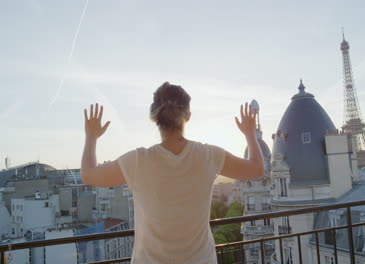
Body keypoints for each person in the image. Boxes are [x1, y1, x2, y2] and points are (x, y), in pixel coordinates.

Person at [81, 82, 264, 264]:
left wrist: (91, 136)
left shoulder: (137, 161)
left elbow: (88, 174)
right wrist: (250, 133)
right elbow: (256, 168)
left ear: (154, 116)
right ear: (188, 116)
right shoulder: (209, 156)